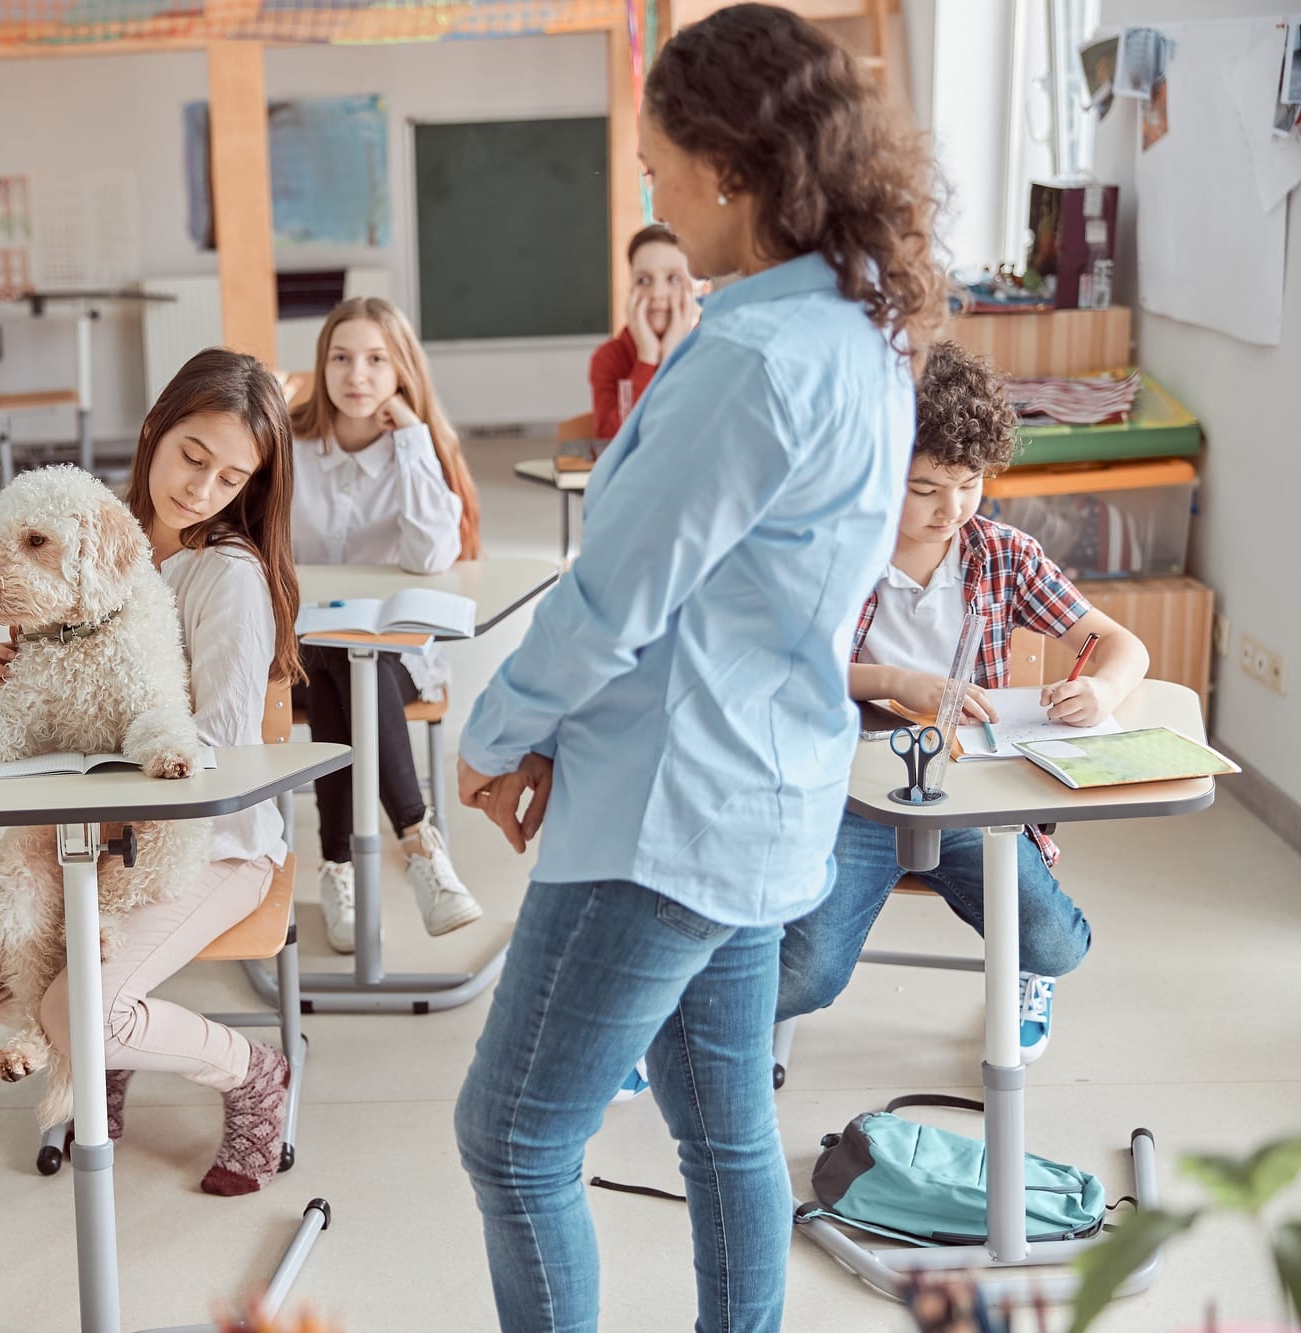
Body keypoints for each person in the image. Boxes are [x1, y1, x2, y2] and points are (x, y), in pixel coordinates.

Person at [450, 6, 949, 1328]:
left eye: (660, 165)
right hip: (761, 798)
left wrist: (496, 732)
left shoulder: (749, 354)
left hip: (665, 818)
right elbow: (710, 595)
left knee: (513, 1137)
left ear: (731, 167)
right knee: (723, 1130)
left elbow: (617, 594)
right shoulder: (862, 331)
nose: (652, 190)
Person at [0, 349, 307, 1196]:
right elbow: (56, 712)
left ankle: (251, 1072)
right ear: (153, 432)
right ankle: (104, 1048)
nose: (202, 489)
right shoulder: (88, 533)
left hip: (209, 841)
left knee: (74, 1008)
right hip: (83, 832)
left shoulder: (228, 576)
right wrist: (16, 686)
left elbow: (218, 749)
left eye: (231, 476)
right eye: (192, 457)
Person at [777, 340, 1148, 1061]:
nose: (951, 508)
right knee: (806, 976)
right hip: (856, 801)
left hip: (968, 799)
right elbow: (788, 670)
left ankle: (1027, 976)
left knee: (1055, 946)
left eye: (970, 482)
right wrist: (895, 681)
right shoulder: (836, 548)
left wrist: (1098, 686)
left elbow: (1122, 646)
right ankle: (667, 1017)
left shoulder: (1002, 554)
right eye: (925, 489)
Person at [287, 296, 484, 951]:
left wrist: (412, 441)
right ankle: (420, 845)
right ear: (323, 365)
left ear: (402, 370)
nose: (357, 376)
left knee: (349, 660)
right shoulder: (290, 444)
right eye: (341, 358)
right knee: (332, 655)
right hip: (295, 657)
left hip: (392, 661)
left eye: (376, 359)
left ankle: (338, 864)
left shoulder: (416, 447)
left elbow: (432, 554)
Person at [587, 222, 702, 440]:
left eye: (674, 279)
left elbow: (696, 434)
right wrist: (647, 359)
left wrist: (671, 357)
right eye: (644, 280)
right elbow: (612, 441)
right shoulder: (609, 358)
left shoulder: (711, 349)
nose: (657, 293)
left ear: (693, 288)